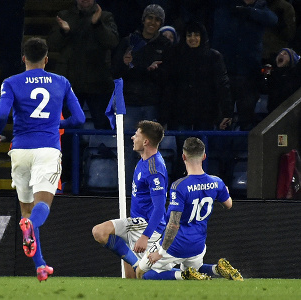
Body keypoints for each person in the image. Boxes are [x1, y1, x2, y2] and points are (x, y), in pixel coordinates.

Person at [0, 37, 85, 281]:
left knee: (26, 209)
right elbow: (80, 118)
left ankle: (40, 266)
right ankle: (32, 234)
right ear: (46, 59)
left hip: (20, 150)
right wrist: (56, 123)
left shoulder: (11, 82)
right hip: (47, 150)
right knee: (42, 207)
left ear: (23, 58)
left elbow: (1, 115)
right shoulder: (61, 82)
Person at [135, 137, 243, 282]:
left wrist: (160, 252)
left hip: (176, 244)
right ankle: (217, 269)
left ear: (183, 157)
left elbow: (173, 224)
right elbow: (228, 204)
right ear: (204, 156)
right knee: (196, 270)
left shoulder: (179, 186)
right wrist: (225, 192)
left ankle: (183, 276)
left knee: (141, 273)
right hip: (198, 245)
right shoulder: (217, 182)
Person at [92, 120, 168, 279]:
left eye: (137, 135)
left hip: (146, 227)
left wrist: (145, 236)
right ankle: (137, 265)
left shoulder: (154, 169)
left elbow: (160, 208)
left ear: (146, 141)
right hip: (135, 223)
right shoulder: (143, 161)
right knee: (100, 232)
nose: (133, 138)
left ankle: (182, 276)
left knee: (139, 279)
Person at [159, 22, 233, 179]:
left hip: (205, 113)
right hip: (180, 113)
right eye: (189, 35)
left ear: (203, 37)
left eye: (196, 35)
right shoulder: (175, 56)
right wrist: (164, 116)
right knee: (183, 152)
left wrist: (226, 111)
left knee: (201, 153)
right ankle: (182, 187)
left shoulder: (213, 57)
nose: (193, 38)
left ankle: (201, 187)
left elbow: (222, 84)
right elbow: (168, 87)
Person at [207, 0, 278, 130]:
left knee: (247, 118)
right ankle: (220, 153)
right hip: (224, 72)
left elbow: (273, 19)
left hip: (248, 75)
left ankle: (244, 154)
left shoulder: (260, 9)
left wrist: (248, 12)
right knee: (221, 117)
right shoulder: (226, 3)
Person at [47, 0, 119, 129]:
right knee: (68, 127)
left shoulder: (105, 17)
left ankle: (101, 153)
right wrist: (64, 32)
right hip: (70, 83)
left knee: (103, 126)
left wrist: (97, 24)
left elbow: (112, 42)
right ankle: (67, 153)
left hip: (99, 83)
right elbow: (52, 44)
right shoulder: (64, 16)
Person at [111, 4, 172, 129]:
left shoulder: (166, 45)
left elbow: (168, 76)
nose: (153, 22)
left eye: (157, 19)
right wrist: (125, 65)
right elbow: (115, 72)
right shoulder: (128, 42)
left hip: (153, 104)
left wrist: (152, 71)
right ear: (143, 19)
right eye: (150, 18)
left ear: (161, 23)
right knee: (128, 145)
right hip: (129, 102)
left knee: (150, 146)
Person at [257, 0, 297, 64]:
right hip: (255, 52)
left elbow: (290, 34)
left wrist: (280, 23)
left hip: (275, 54)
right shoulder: (255, 5)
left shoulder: (285, 7)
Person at [266, 48, 301, 113]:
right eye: (280, 53)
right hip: (272, 113)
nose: (281, 54)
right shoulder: (272, 76)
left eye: (285, 54)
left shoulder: (294, 75)